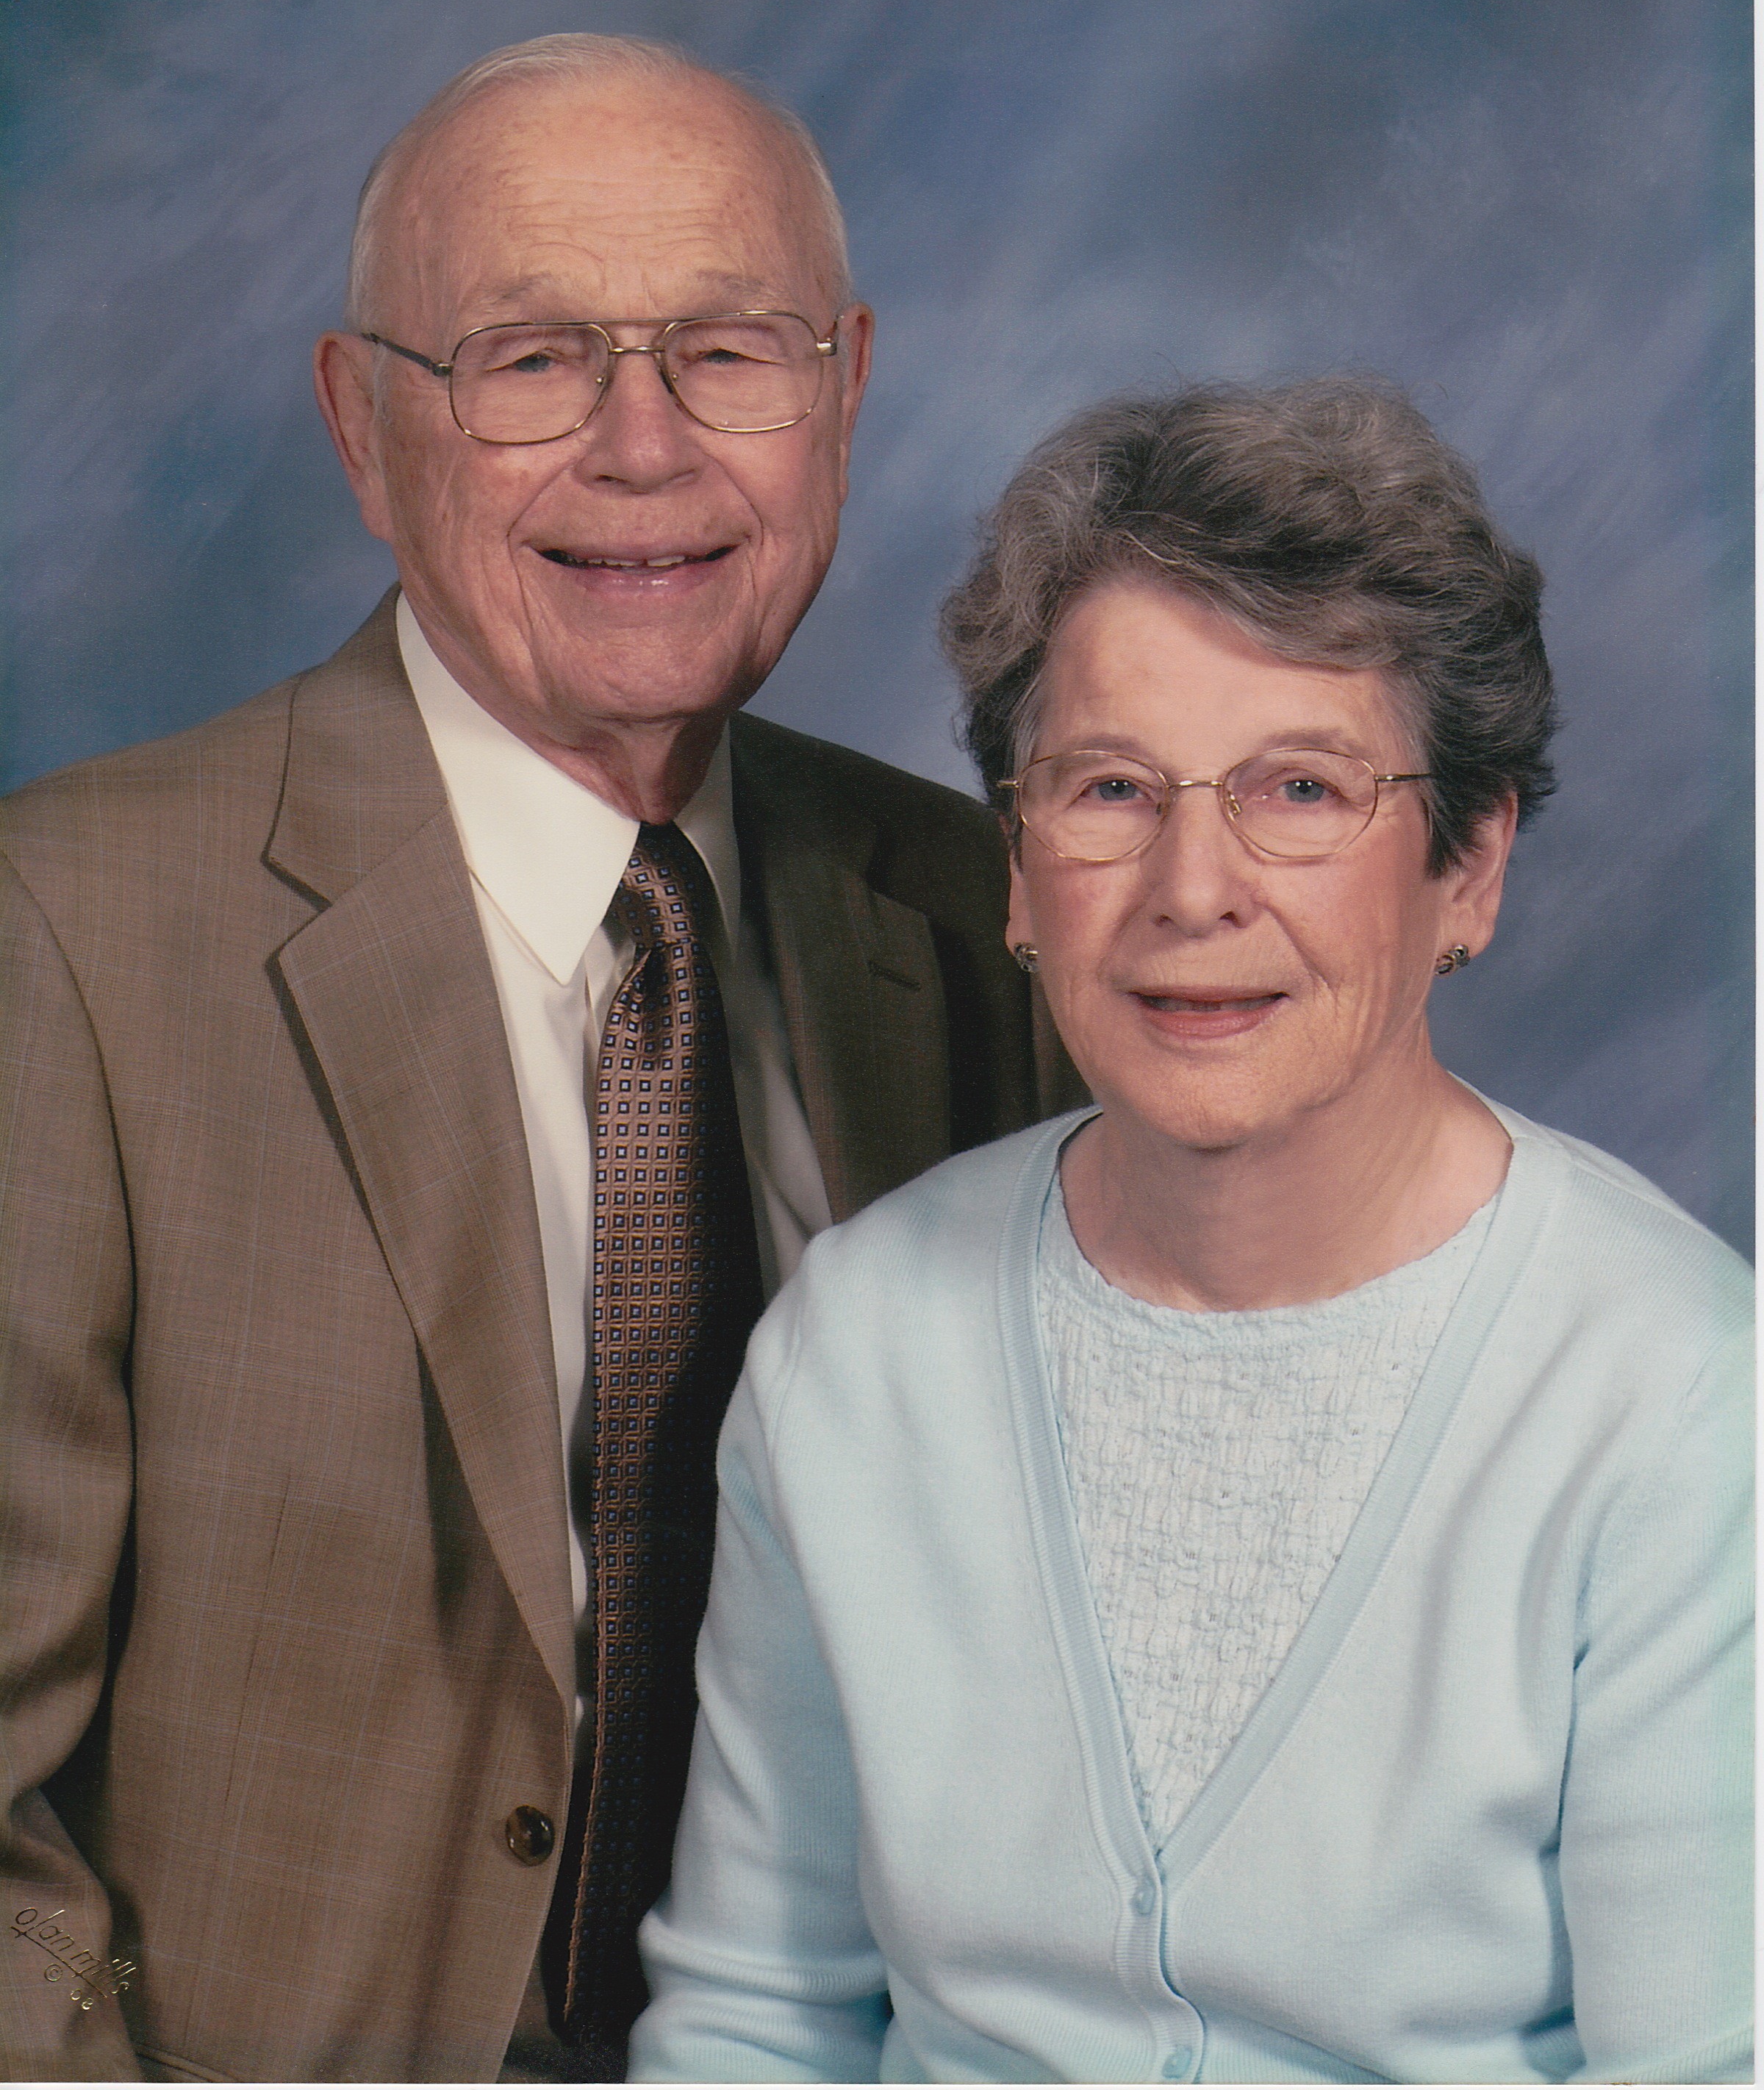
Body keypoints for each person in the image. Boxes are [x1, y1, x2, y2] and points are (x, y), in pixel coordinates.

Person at [0, 35, 1075, 2083]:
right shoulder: (62, 942)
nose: (643, 450)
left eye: (728, 354)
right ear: (359, 424)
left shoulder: (987, 920)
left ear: (843, 392)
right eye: (531, 361)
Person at [629, 379, 1754, 2085]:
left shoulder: (1679, 1402)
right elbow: (753, 2019)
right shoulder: (855, 1351)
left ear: (1469, 868)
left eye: (1303, 789)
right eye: (1109, 791)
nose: (1192, 887)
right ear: (1016, 865)